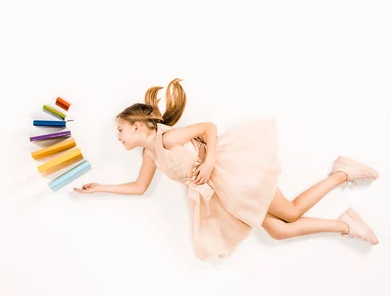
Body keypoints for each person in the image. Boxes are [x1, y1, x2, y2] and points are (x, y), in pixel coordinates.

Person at [74, 78, 379, 260]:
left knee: (288, 214)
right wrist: (101, 187)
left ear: (139, 126)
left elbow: (208, 127)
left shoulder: (167, 139)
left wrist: (207, 162)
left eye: (121, 130)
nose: (119, 138)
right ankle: (345, 222)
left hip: (229, 174)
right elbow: (139, 188)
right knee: (278, 231)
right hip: (221, 194)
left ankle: (342, 175)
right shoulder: (150, 156)